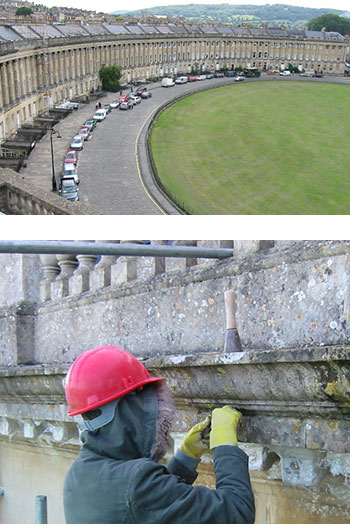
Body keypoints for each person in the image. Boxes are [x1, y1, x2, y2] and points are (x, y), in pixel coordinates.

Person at [63, 345, 255, 524]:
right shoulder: (137, 482)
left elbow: (146, 508)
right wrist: (225, 446)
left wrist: (185, 457)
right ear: (131, 411)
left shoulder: (78, 474)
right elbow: (236, 510)